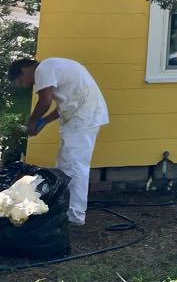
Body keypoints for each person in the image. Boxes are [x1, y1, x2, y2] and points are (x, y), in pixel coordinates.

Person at [8, 58, 109, 226]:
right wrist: (44, 121)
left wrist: (32, 122)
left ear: (25, 69)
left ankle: (75, 216)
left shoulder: (43, 69)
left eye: (21, 80)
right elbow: (60, 106)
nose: (25, 85)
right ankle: (64, 207)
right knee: (65, 164)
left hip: (83, 117)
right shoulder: (53, 67)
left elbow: (45, 101)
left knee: (76, 166)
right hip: (81, 115)